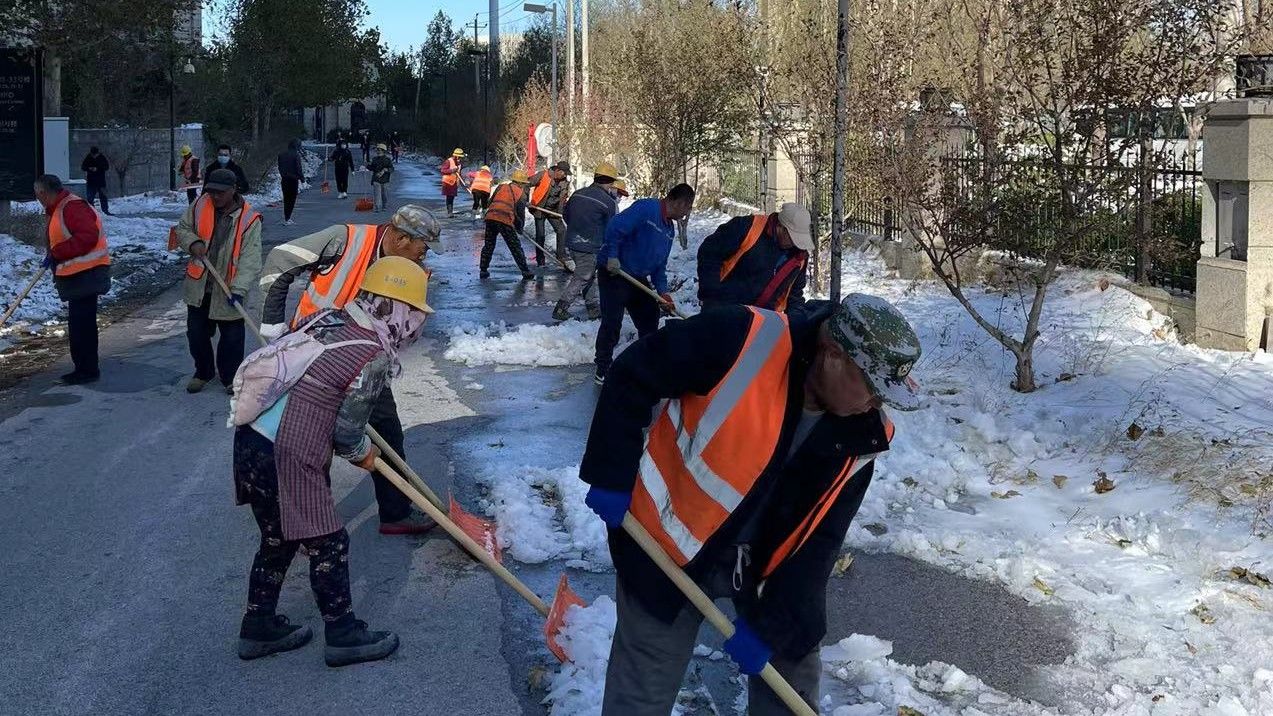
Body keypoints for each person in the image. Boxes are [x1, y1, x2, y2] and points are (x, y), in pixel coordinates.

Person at [579, 293, 922, 715]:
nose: (877, 403)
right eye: (872, 388)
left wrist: (776, 625)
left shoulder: (863, 434)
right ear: (832, 353)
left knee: (791, 678)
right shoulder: (741, 339)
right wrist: (610, 472)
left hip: (764, 569)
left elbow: (819, 543)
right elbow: (633, 374)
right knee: (641, 688)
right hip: (667, 546)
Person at [232, 256, 434, 667]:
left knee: (279, 537)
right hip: (287, 452)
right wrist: (367, 455)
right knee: (329, 541)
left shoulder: (328, 318)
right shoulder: (372, 354)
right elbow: (346, 436)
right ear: (393, 306)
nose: (414, 322)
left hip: (251, 441)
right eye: (412, 311)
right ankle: (343, 635)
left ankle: (257, 628)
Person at [257, 205, 443, 535]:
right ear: (401, 238)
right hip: (314, 360)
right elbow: (281, 258)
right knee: (312, 444)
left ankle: (395, 512)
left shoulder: (407, 267)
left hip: (365, 359)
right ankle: (302, 523)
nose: (425, 255)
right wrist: (272, 326)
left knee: (388, 433)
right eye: (423, 246)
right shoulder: (345, 240)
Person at [592, 183, 696, 385]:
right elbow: (615, 228)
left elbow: (659, 266)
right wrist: (612, 256)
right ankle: (602, 368)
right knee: (612, 321)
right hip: (615, 271)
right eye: (689, 206)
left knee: (649, 317)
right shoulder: (647, 209)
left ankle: (645, 364)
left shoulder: (668, 230)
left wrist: (663, 293)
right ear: (680, 202)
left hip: (637, 279)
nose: (688, 211)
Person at [173, 168, 263, 394]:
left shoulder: (249, 219)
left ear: (233, 190)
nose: (215, 196)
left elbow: (250, 258)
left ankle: (231, 376)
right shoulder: (201, 204)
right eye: (212, 191)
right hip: (200, 285)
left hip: (229, 288)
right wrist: (193, 243)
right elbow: (183, 228)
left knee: (232, 338)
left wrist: (240, 288)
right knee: (196, 334)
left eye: (220, 192)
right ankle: (203, 372)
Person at [34, 174, 111, 385]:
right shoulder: (60, 207)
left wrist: (57, 253)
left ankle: (86, 370)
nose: (37, 199)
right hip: (78, 275)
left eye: (37, 194)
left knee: (81, 326)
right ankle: (84, 367)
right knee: (80, 325)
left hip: (87, 274)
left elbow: (87, 236)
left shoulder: (71, 207)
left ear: (42, 192)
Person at [697, 202, 813, 314]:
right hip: (724, 308)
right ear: (780, 227)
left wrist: (796, 322)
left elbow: (794, 295)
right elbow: (709, 253)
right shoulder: (747, 228)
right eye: (792, 238)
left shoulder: (799, 256)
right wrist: (710, 295)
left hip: (761, 321)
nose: (795, 244)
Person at [554, 161, 621, 322]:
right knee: (583, 276)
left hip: (572, 242)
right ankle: (561, 308)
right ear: (610, 182)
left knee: (588, 274)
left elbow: (565, 215)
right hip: (589, 245)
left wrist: (576, 229)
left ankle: (592, 308)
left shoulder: (578, 193)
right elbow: (611, 229)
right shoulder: (609, 202)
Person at [479, 169, 534, 281]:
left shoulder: (501, 187)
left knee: (489, 244)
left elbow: (490, 202)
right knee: (515, 246)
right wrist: (520, 228)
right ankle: (525, 271)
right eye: (523, 184)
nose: (524, 186)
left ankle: (483, 270)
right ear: (520, 183)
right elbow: (520, 214)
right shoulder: (521, 194)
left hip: (491, 217)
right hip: (504, 220)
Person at [527, 161, 572, 268]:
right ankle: (540, 260)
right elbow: (526, 183)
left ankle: (561, 257)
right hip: (539, 208)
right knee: (540, 235)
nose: (565, 175)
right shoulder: (543, 175)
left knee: (561, 230)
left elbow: (563, 200)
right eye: (564, 173)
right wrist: (525, 199)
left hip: (553, 211)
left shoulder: (564, 182)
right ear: (557, 170)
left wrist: (562, 213)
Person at [278, 138, 304, 225]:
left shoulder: (281, 154)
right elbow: (298, 168)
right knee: (292, 199)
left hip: (284, 179)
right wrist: (302, 178)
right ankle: (288, 217)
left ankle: (287, 216)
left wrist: (283, 175)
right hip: (293, 180)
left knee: (286, 198)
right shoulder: (296, 155)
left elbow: (280, 167)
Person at [80, 146, 112, 216]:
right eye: (93, 155)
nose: (94, 156)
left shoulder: (102, 157)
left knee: (103, 197)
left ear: (98, 153)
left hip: (101, 181)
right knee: (90, 198)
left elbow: (106, 167)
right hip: (91, 182)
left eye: (95, 154)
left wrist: (97, 168)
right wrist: (89, 168)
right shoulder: (88, 157)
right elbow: (83, 167)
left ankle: (105, 211)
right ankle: (92, 212)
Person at [368, 143, 394, 212]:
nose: (378, 151)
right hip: (376, 179)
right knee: (377, 194)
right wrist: (368, 165)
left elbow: (392, 169)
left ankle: (384, 205)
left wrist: (387, 170)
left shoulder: (388, 160)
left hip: (385, 180)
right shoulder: (374, 159)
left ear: (383, 151)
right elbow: (371, 168)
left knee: (384, 194)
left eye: (379, 150)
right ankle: (377, 207)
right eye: (377, 150)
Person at [440, 148, 465, 217]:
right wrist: (451, 170)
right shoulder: (449, 161)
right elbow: (443, 170)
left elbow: (459, 173)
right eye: (459, 157)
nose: (460, 158)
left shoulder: (459, 163)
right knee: (449, 198)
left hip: (454, 183)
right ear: (456, 156)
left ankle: (450, 212)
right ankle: (449, 212)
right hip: (448, 183)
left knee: (452, 197)